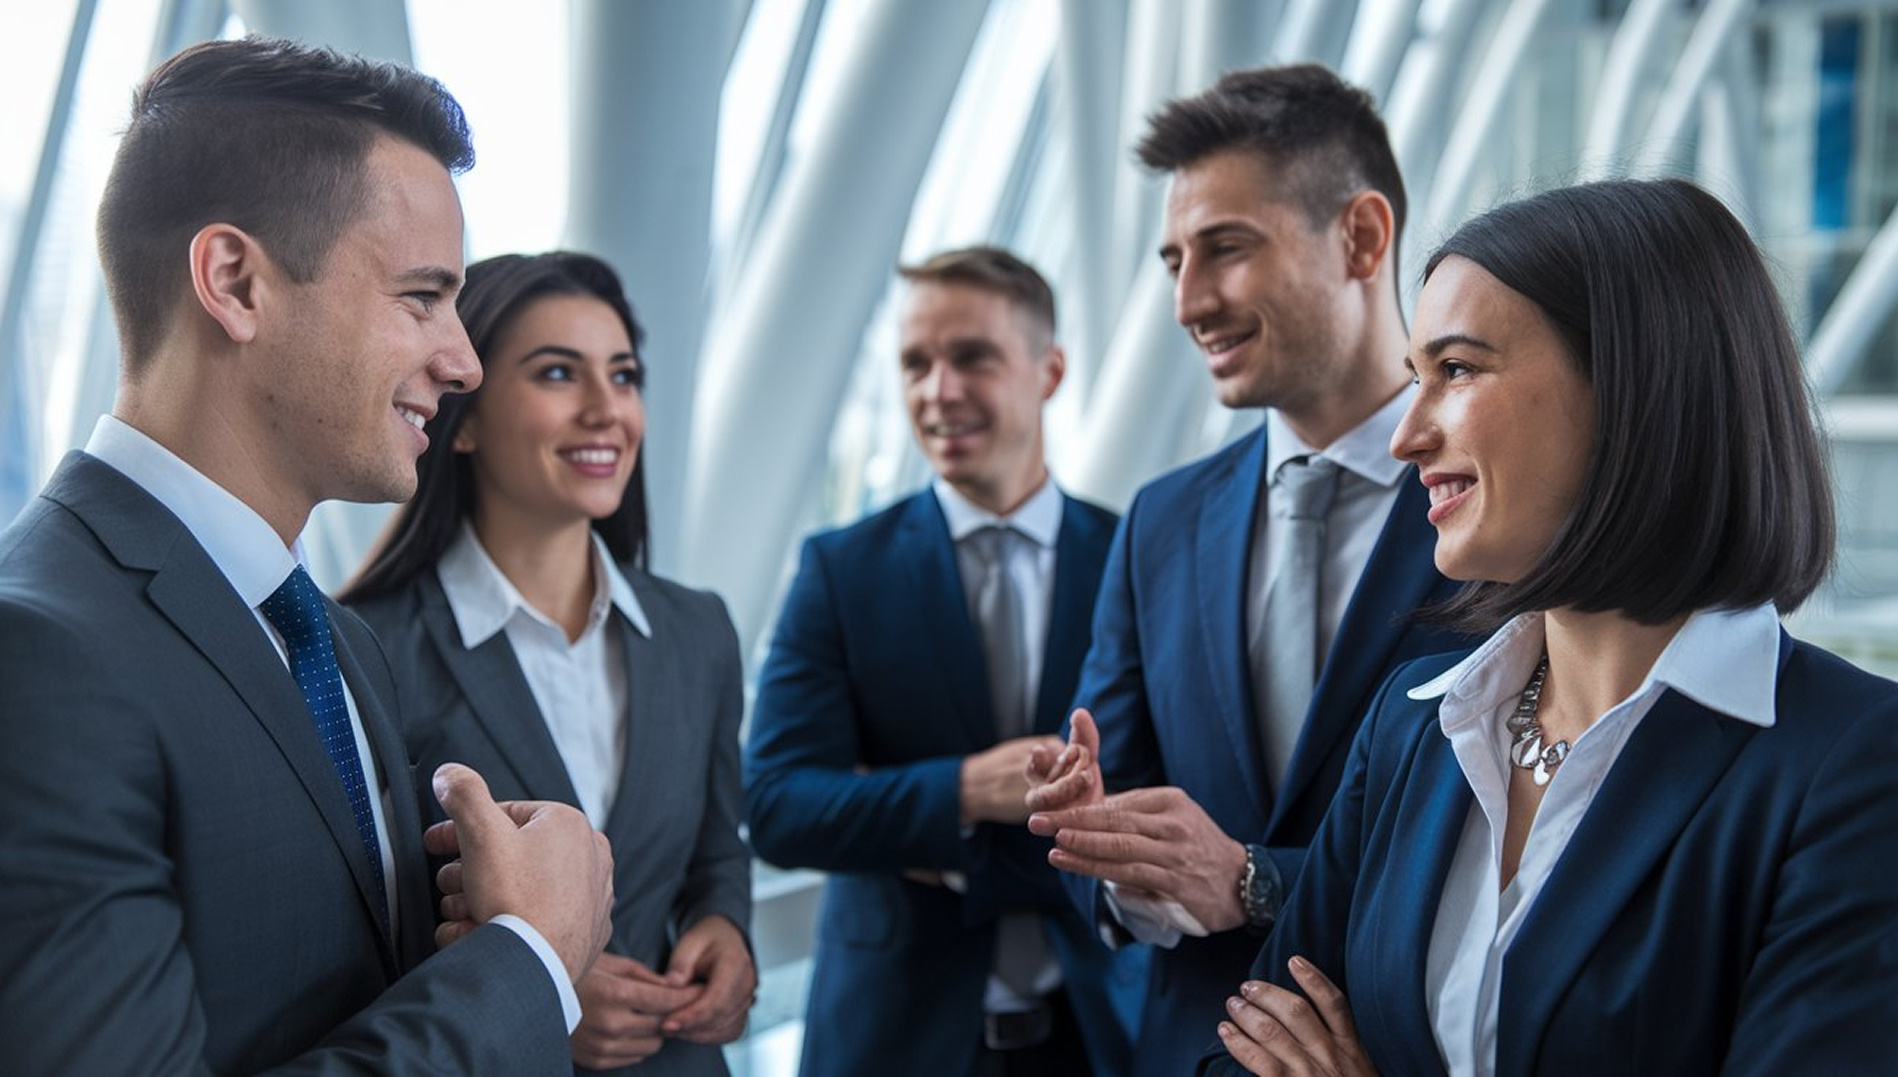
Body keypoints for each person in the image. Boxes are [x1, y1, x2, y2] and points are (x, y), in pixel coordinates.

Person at [1199, 178, 1898, 1076]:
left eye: (1457, 370)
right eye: (1415, 378)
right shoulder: (1413, 724)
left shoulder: (1862, 766)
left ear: (1636, 388)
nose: (1405, 436)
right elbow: (1249, 1049)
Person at [0, 37, 614, 1075]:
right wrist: (527, 960)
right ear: (235, 282)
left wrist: (481, 908)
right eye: (421, 297)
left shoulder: (331, 638)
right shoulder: (34, 657)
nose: (464, 360)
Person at [1022, 65, 1473, 1075]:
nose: (1188, 301)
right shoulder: (1161, 519)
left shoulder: (1498, 502)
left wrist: (1254, 880)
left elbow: (1519, 841)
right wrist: (1112, 850)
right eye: (1174, 260)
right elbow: (1110, 807)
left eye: (1225, 248)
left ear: (1361, 238)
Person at [340, 251, 754, 1075]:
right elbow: (351, 936)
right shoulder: (363, 647)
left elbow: (717, 848)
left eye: (623, 376)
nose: (607, 409)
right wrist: (535, 992)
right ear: (465, 418)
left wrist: (726, 926)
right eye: (559, 373)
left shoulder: (698, 629)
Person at [745, 246, 1136, 1076]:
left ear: (1050, 371)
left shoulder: (1133, 556)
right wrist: (963, 790)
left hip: (1098, 1035)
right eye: (916, 363)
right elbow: (777, 803)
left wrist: (924, 836)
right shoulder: (842, 569)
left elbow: (1156, 795)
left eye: (972, 357)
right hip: (892, 1042)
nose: (938, 390)